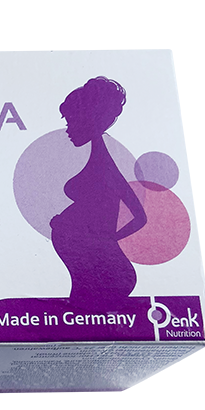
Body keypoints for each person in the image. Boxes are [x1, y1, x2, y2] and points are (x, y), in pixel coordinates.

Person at [50, 77, 147, 308]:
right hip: (94, 269)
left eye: (72, 121)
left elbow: (140, 217)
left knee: (82, 313)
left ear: (88, 120)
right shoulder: (99, 157)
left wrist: (104, 240)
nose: (68, 130)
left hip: (104, 272)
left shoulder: (105, 163)